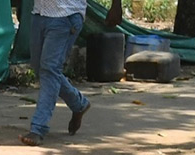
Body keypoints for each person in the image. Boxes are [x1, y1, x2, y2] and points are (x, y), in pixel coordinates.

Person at [20, 0, 122, 146]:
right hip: (40, 13)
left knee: (49, 69)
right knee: (39, 68)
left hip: (66, 14)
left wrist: (116, 5)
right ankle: (79, 104)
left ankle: (38, 128)